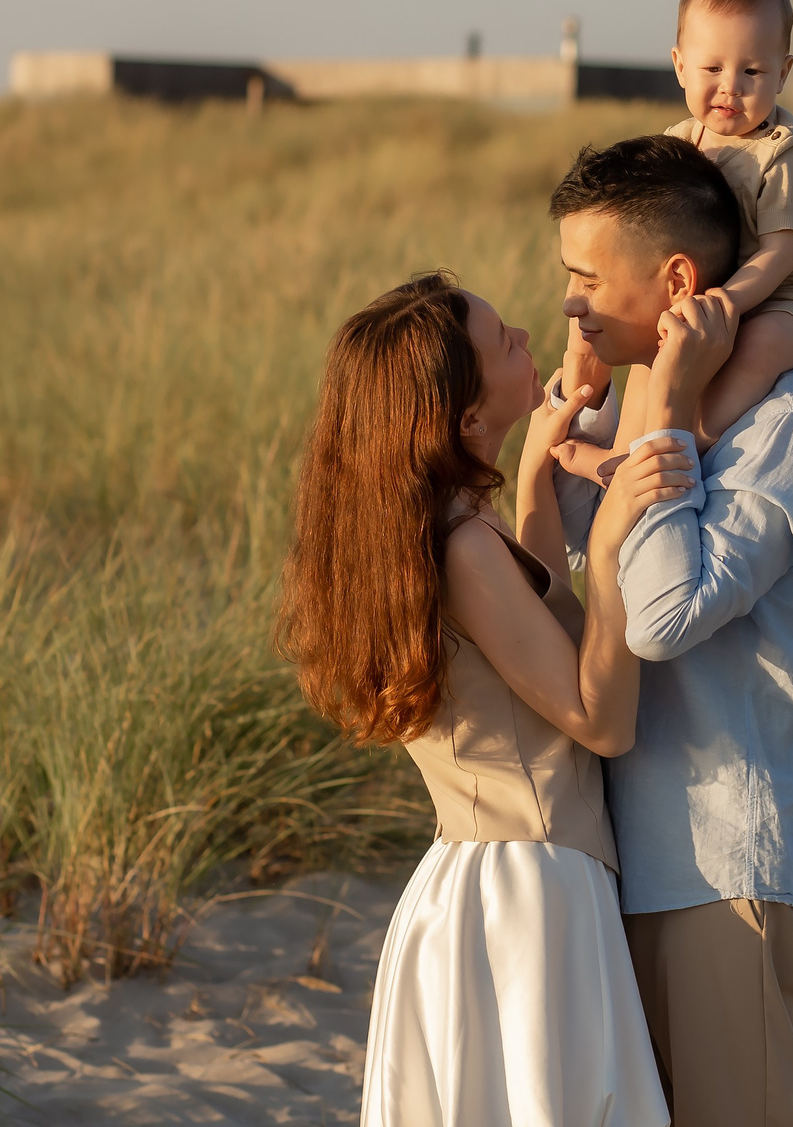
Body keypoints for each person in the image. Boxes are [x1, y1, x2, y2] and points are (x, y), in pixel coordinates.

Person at [279, 272, 691, 1127]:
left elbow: (535, 627)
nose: (530, 340)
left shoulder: (443, 524)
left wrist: (540, 464)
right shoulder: (464, 546)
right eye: (505, 339)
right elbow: (601, 720)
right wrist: (609, 542)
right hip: (530, 896)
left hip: (484, 880)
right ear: (464, 419)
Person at [542, 137, 793, 1127]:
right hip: (622, 859)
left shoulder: (789, 421)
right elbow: (563, 590)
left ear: (677, 280)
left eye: (588, 278)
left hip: (728, 859)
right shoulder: (617, 421)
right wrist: (576, 424)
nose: (570, 303)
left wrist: (674, 406)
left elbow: (663, 616)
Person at [555, 0, 793, 483]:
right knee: (654, 342)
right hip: (734, 284)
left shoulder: (785, 153)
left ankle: (694, 446)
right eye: (712, 70)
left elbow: (780, 252)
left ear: (783, 72)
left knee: (759, 345)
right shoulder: (682, 141)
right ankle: (625, 454)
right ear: (680, 65)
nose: (730, 87)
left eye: (752, 72)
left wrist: (723, 301)